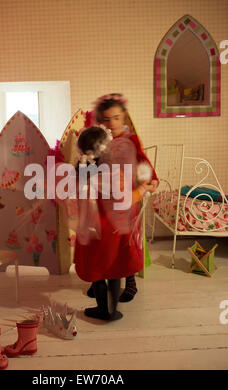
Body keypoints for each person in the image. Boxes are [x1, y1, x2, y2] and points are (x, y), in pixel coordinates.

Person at [73, 125, 155, 321]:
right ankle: (112, 310)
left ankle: (103, 310)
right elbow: (128, 199)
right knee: (115, 269)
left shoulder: (83, 173)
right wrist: (143, 188)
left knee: (99, 272)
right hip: (115, 230)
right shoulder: (115, 174)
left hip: (94, 230)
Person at [84, 93, 159, 303]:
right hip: (101, 198)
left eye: (116, 117)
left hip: (125, 198)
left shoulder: (130, 140)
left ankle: (130, 282)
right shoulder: (97, 139)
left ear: (123, 117)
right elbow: (86, 163)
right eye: (107, 119)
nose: (112, 123)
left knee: (123, 242)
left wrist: (150, 179)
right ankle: (98, 279)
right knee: (100, 240)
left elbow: (142, 162)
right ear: (100, 120)